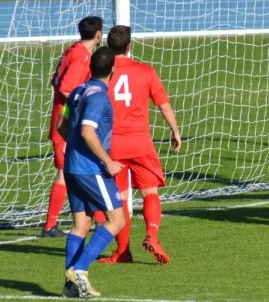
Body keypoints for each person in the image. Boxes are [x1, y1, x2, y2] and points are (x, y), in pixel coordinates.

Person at [96, 25, 181, 265]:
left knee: (120, 198)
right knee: (150, 192)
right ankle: (152, 235)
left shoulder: (104, 74)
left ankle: (123, 251)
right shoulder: (145, 71)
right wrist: (174, 130)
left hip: (113, 145)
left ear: (108, 47)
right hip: (141, 142)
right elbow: (163, 105)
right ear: (129, 46)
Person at [59, 46, 124, 299]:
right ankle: (80, 270)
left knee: (82, 224)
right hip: (90, 168)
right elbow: (87, 131)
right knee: (117, 220)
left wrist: (75, 150)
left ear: (90, 67)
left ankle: (70, 287)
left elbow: (61, 126)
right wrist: (106, 161)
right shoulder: (99, 97)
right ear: (113, 69)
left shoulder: (76, 91)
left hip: (72, 166)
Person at [42, 16, 103, 237]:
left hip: (65, 120)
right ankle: (50, 226)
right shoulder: (81, 56)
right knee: (68, 173)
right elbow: (66, 87)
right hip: (67, 123)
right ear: (98, 34)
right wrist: (84, 103)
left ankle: (97, 218)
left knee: (78, 170)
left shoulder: (72, 50)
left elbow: (55, 80)